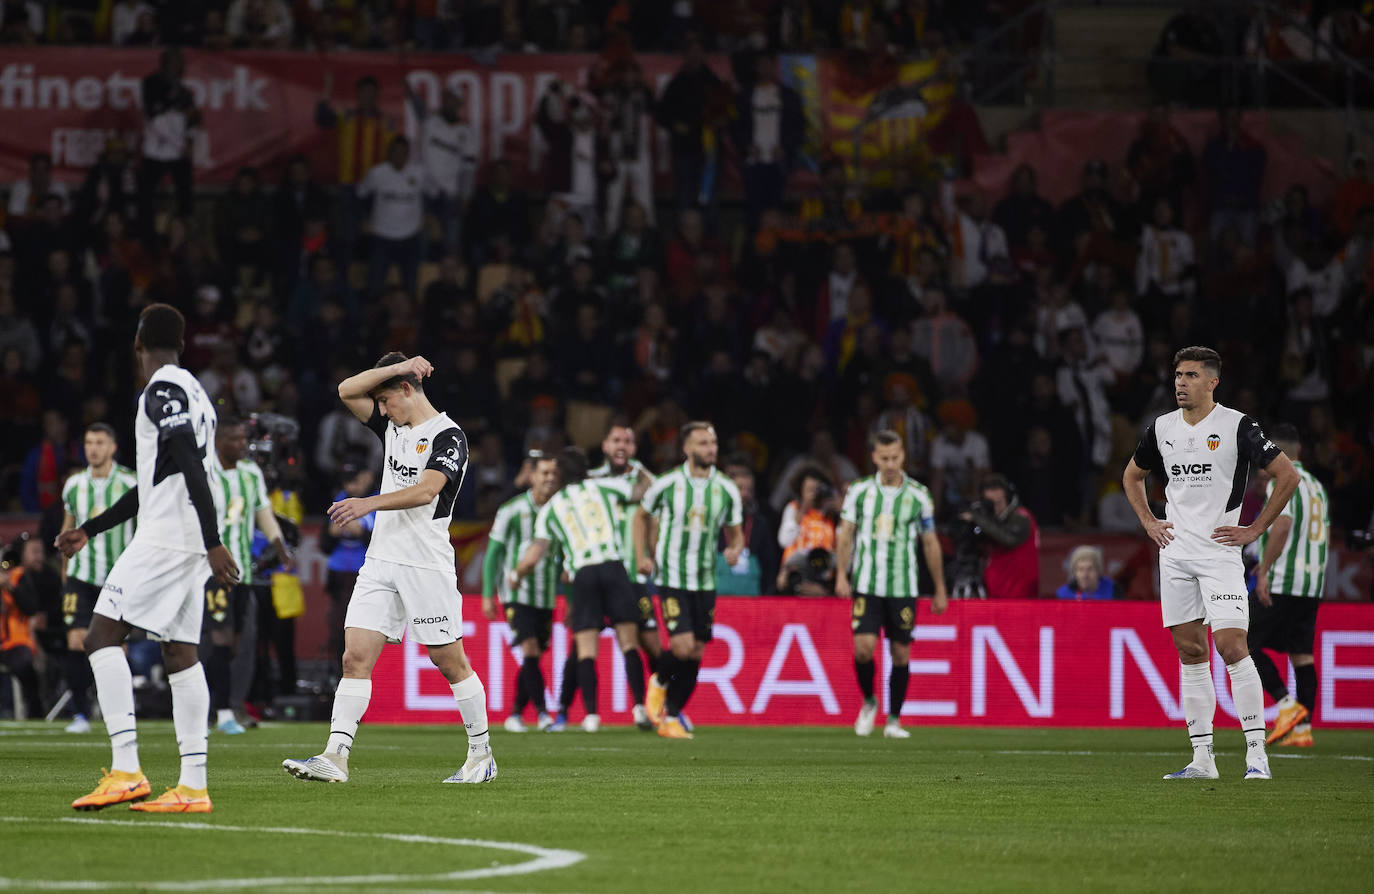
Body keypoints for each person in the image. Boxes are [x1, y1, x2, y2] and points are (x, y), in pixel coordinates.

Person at [56, 303, 238, 813]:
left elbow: (181, 458)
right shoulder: (197, 393)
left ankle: (126, 770)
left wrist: (212, 538)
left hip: (171, 535)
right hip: (182, 529)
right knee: (180, 652)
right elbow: (156, 482)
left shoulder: (160, 390)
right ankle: (193, 786)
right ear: (180, 343)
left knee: (100, 636)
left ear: (138, 346)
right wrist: (90, 529)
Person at [282, 353, 492, 784]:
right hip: (380, 563)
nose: (379, 410)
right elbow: (345, 390)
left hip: (425, 565)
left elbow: (427, 491)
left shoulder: (449, 436)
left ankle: (481, 756)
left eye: (384, 400)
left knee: (449, 661)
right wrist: (397, 368)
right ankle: (335, 756)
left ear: (407, 390)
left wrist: (367, 503)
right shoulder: (392, 426)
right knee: (354, 657)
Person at [1123, 345, 1300, 781]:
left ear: (1212, 381)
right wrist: (1149, 521)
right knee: (1190, 652)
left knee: (1232, 647)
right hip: (1176, 554)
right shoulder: (1162, 428)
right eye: (1177, 375)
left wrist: (1255, 529)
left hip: (1220, 552)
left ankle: (1256, 753)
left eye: (1190, 376)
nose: (1180, 383)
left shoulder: (1237, 425)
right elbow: (1132, 475)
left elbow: (1288, 475)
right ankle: (1203, 760)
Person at [510, 447, 651, 733]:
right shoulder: (604, 487)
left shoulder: (551, 507)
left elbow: (536, 551)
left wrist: (517, 573)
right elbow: (642, 491)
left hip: (584, 574)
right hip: (613, 567)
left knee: (586, 648)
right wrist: (637, 467)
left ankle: (592, 716)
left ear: (561, 474)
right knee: (628, 642)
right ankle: (639, 708)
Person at [634, 422, 744, 739]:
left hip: (706, 579)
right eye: (703, 443)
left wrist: (735, 550)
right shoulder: (667, 484)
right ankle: (658, 681)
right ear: (687, 448)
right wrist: (643, 555)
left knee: (696, 652)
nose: (710, 448)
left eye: (713, 442)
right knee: (681, 647)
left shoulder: (726, 488)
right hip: (672, 576)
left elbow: (735, 536)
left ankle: (671, 716)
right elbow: (641, 516)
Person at [837, 431, 948, 739]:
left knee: (900, 653)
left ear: (903, 456)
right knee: (863, 649)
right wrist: (841, 575)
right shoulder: (859, 491)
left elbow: (930, 543)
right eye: (884, 458)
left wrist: (939, 587)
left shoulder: (918, 495)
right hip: (866, 583)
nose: (890, 464)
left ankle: (894, 719)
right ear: (874, 457)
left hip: (903, 586)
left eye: (895, 457)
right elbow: (845, 534)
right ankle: (869, 702)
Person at [202, 415, 289, 736]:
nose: (242, 445)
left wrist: (279, 545)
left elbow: (262, 513)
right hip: (211, 572)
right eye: (235, 440)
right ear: (219, 442)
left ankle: (228, 705)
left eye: (243, 439)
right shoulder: (204, 472)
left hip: (244, 574)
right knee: (220, 640)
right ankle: (221, 712)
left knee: (239, 643)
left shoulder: (251, 474)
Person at [1250, 424, 1329, 748]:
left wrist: (1264, 570)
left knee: (1242, 642)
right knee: (1302, 655)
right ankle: (1302, 730)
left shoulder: (1282, 482)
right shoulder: (1317, 486)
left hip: (1283, 578)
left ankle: (1286, 705)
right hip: (1312, 582)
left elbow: (1282, 526)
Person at [57, 423, 137, 734]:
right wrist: (65, 572)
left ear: (113, 447)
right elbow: (69, 528)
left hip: (118, 578)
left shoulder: (131, 482)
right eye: (89, 442)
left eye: (100, 442)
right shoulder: (73, 484)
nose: (93, 448)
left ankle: (115, 711)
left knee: (116, 647)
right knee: (76, 641)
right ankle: (80, 713)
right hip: (80, 575)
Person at [588, 420, 660, 729]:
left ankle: (660, 705)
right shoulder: (590, 481)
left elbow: (656, 520)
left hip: (634, 576)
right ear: (604, 445)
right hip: (597, 573)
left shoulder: (650, 482)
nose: (622, 446)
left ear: (634, 448)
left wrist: (652, 556)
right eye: (616, 440)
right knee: (585, 643)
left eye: (628, 441)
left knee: (652, 646)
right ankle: (569, 712)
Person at [484, 452, 561, 733]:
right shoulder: (512, 510)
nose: (550, 478)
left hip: (547, 593)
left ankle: (515, 713)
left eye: (554, 473)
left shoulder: (559, 510)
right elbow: (493, 554)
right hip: (515, 593)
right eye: (544, 473)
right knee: (529, 649)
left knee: (534, 657)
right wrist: (486, 594)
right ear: (531, 476)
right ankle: (543, 714)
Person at [138, 49, 199, 242]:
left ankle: (184, 234)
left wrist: (189, 141)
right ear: (164, 63)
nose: (175, 66)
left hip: (178, 150)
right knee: (146, 195)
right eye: (171, 62)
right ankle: (147, 236)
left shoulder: (185, 92)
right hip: (155, 149)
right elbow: (153, 113)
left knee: (185, 193)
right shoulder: (151, 83)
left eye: (178, 63)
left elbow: (192, 117)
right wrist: (170, 101)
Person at [322, 464, 376, 678]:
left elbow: (388, 543)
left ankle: (370, 676)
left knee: (368, 631)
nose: (350, 486)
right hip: (339, 576)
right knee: (340, 628)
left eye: (355, 480)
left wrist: (361, 532)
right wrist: (333, 534)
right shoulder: (338, 499)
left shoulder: (379, 500)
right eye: (347, 481)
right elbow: (324, 545)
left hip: (368, 575)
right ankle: (341, 675)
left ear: (368, 476)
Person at [358, 136, 430, 298]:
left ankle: (409, 320)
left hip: (410, 237)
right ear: (389, 153)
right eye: (396, 152)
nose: (399, 156)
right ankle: (373, 318)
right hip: (382, 236)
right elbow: (361, 193)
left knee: (410, 284)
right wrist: (366, 217)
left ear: (408, 155)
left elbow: (433, 192)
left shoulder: (419, 173)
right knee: (375, 283)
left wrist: (427, 216)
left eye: (403, 153)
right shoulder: (377, 173)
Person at [961, 475, 1040, 599]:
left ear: (1008, 499)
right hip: (995, 594)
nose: (994, 508)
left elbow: (1008, 539)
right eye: (989, 503)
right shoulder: (991, 522)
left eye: (998, 503)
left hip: (1019, 595)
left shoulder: (1022, 517)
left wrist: (977, 518)